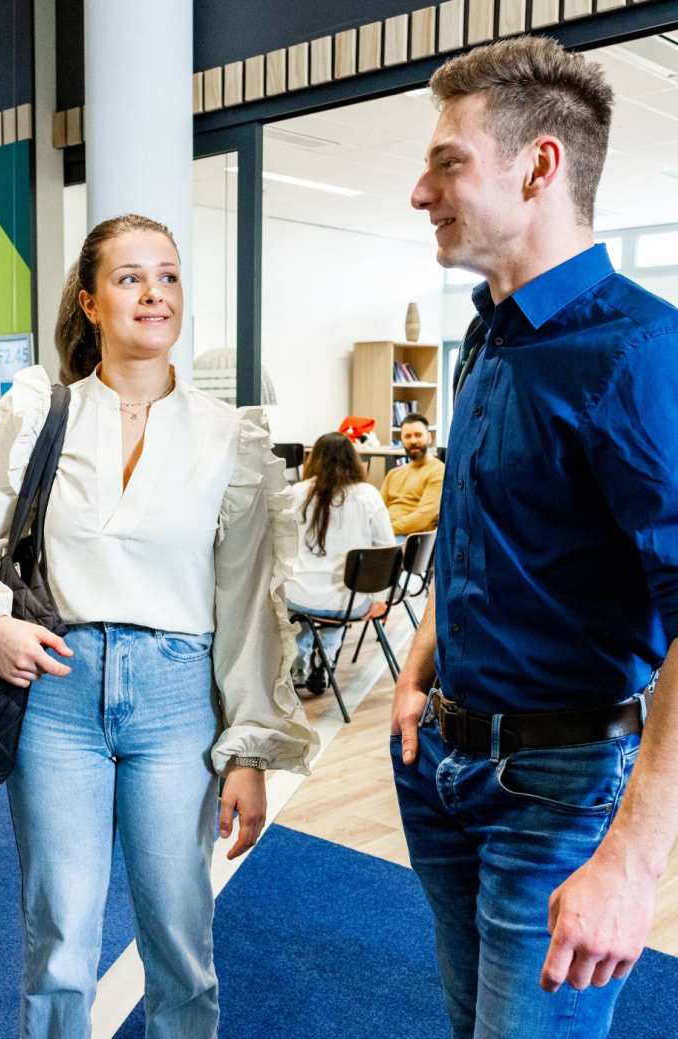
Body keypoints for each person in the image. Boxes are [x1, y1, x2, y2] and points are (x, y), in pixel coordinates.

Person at [0, 213, 317, 1037]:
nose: (153, 293)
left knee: (179, 935)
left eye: (166, 276)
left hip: (178, 695)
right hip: (57, 689)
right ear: (90, 302)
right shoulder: (40, 412)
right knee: (59, 937)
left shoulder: (228, 435)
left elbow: (244, 607)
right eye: (130, 278)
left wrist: (249, 751)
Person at [393, 35, 678, 1039]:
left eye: (446, 162)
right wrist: (417, 665)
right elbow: (480, 528)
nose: (419, 192)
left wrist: (633, 861)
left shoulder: (639, 353)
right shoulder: (487, 333)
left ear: (537, 164)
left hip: (557, 791)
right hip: (443, 762)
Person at [285, 432, 395, 690]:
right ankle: (326, 658)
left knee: (295, 607)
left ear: (314, 460)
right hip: (349, 604)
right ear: (352, 460)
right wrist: (381, 598)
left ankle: (299, 662)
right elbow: (387, 550)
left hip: (298, 595)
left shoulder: (295, 493)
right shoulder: (368, 495)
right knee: (343, 593)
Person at [379, 412, 444, 535]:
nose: (413, 441)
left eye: (418, 435)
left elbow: (423, 518)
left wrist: (384, 531)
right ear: (401, 440)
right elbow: (377, 510)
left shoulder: (438, 471)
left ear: (429, 437)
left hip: (410, 539)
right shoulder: (393, 474)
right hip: (386, 535)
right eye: (407, 436)